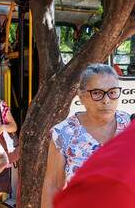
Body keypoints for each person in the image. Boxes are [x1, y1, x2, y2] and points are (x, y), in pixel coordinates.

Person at [41, 63, 130, 208]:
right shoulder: (64, 133)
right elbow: (53, 186)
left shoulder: (129, 126)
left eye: (113, 92)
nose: (106, 100)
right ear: (82, 97)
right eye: (97, 93)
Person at [53, 121, 135, 208]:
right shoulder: (64, 130)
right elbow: (53, 183)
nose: (104, 106)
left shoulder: (126, 121)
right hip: (86, 198)